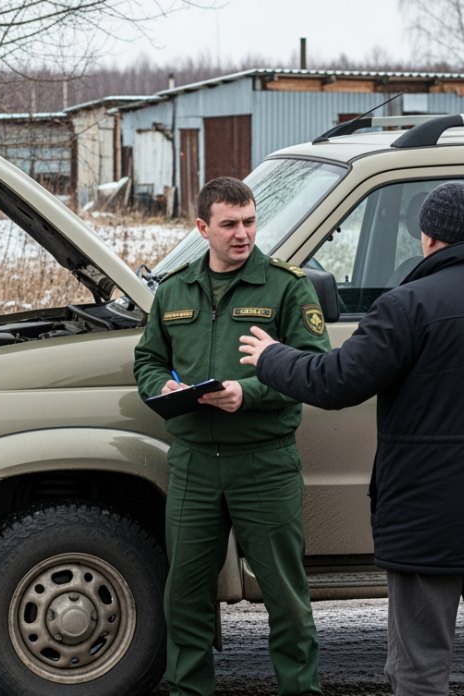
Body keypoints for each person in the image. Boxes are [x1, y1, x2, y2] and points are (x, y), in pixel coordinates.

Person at [239, 182, 464, 696]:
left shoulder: (407, 305)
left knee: (419, 669)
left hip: (426, 523)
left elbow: (335, 382)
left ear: (428, 239)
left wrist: (271, 357)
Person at [134, 177, 329, 696]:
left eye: (249, 222)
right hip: (194, 463)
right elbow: (148, 359)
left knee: (285, 596)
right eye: (229, 224)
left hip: (263, 463)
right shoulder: (175, 289)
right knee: (186, 594)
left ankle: (300, 690)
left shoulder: (287, 286)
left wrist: (250, 393)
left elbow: (311, 367)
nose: (242, 234)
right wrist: (165, 385)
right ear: (203, 228)